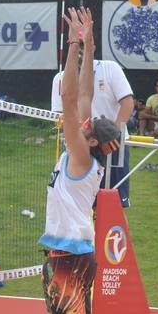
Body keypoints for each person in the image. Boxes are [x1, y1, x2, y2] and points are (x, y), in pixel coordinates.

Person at [40, 6, 121, 314]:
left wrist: (71, 45)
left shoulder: (78, 152)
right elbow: (85, 93)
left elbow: (70, 96)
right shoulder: (87, 153)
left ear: (90, 139)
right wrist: (89, 45)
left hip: (67, 258)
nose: (83, 120)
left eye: (88, 125)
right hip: (76, 254)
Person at [51, 48, 133, 208]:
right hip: (80, 148)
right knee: (81, 202)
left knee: (113, 205)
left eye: (83, 45)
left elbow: (127, 103)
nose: (79, 51)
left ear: (92, 47)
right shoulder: (60, 78)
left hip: (113, 145)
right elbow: (61, 116)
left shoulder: (110, 68)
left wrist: (113, 135)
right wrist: (77, 139)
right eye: (75, 45)